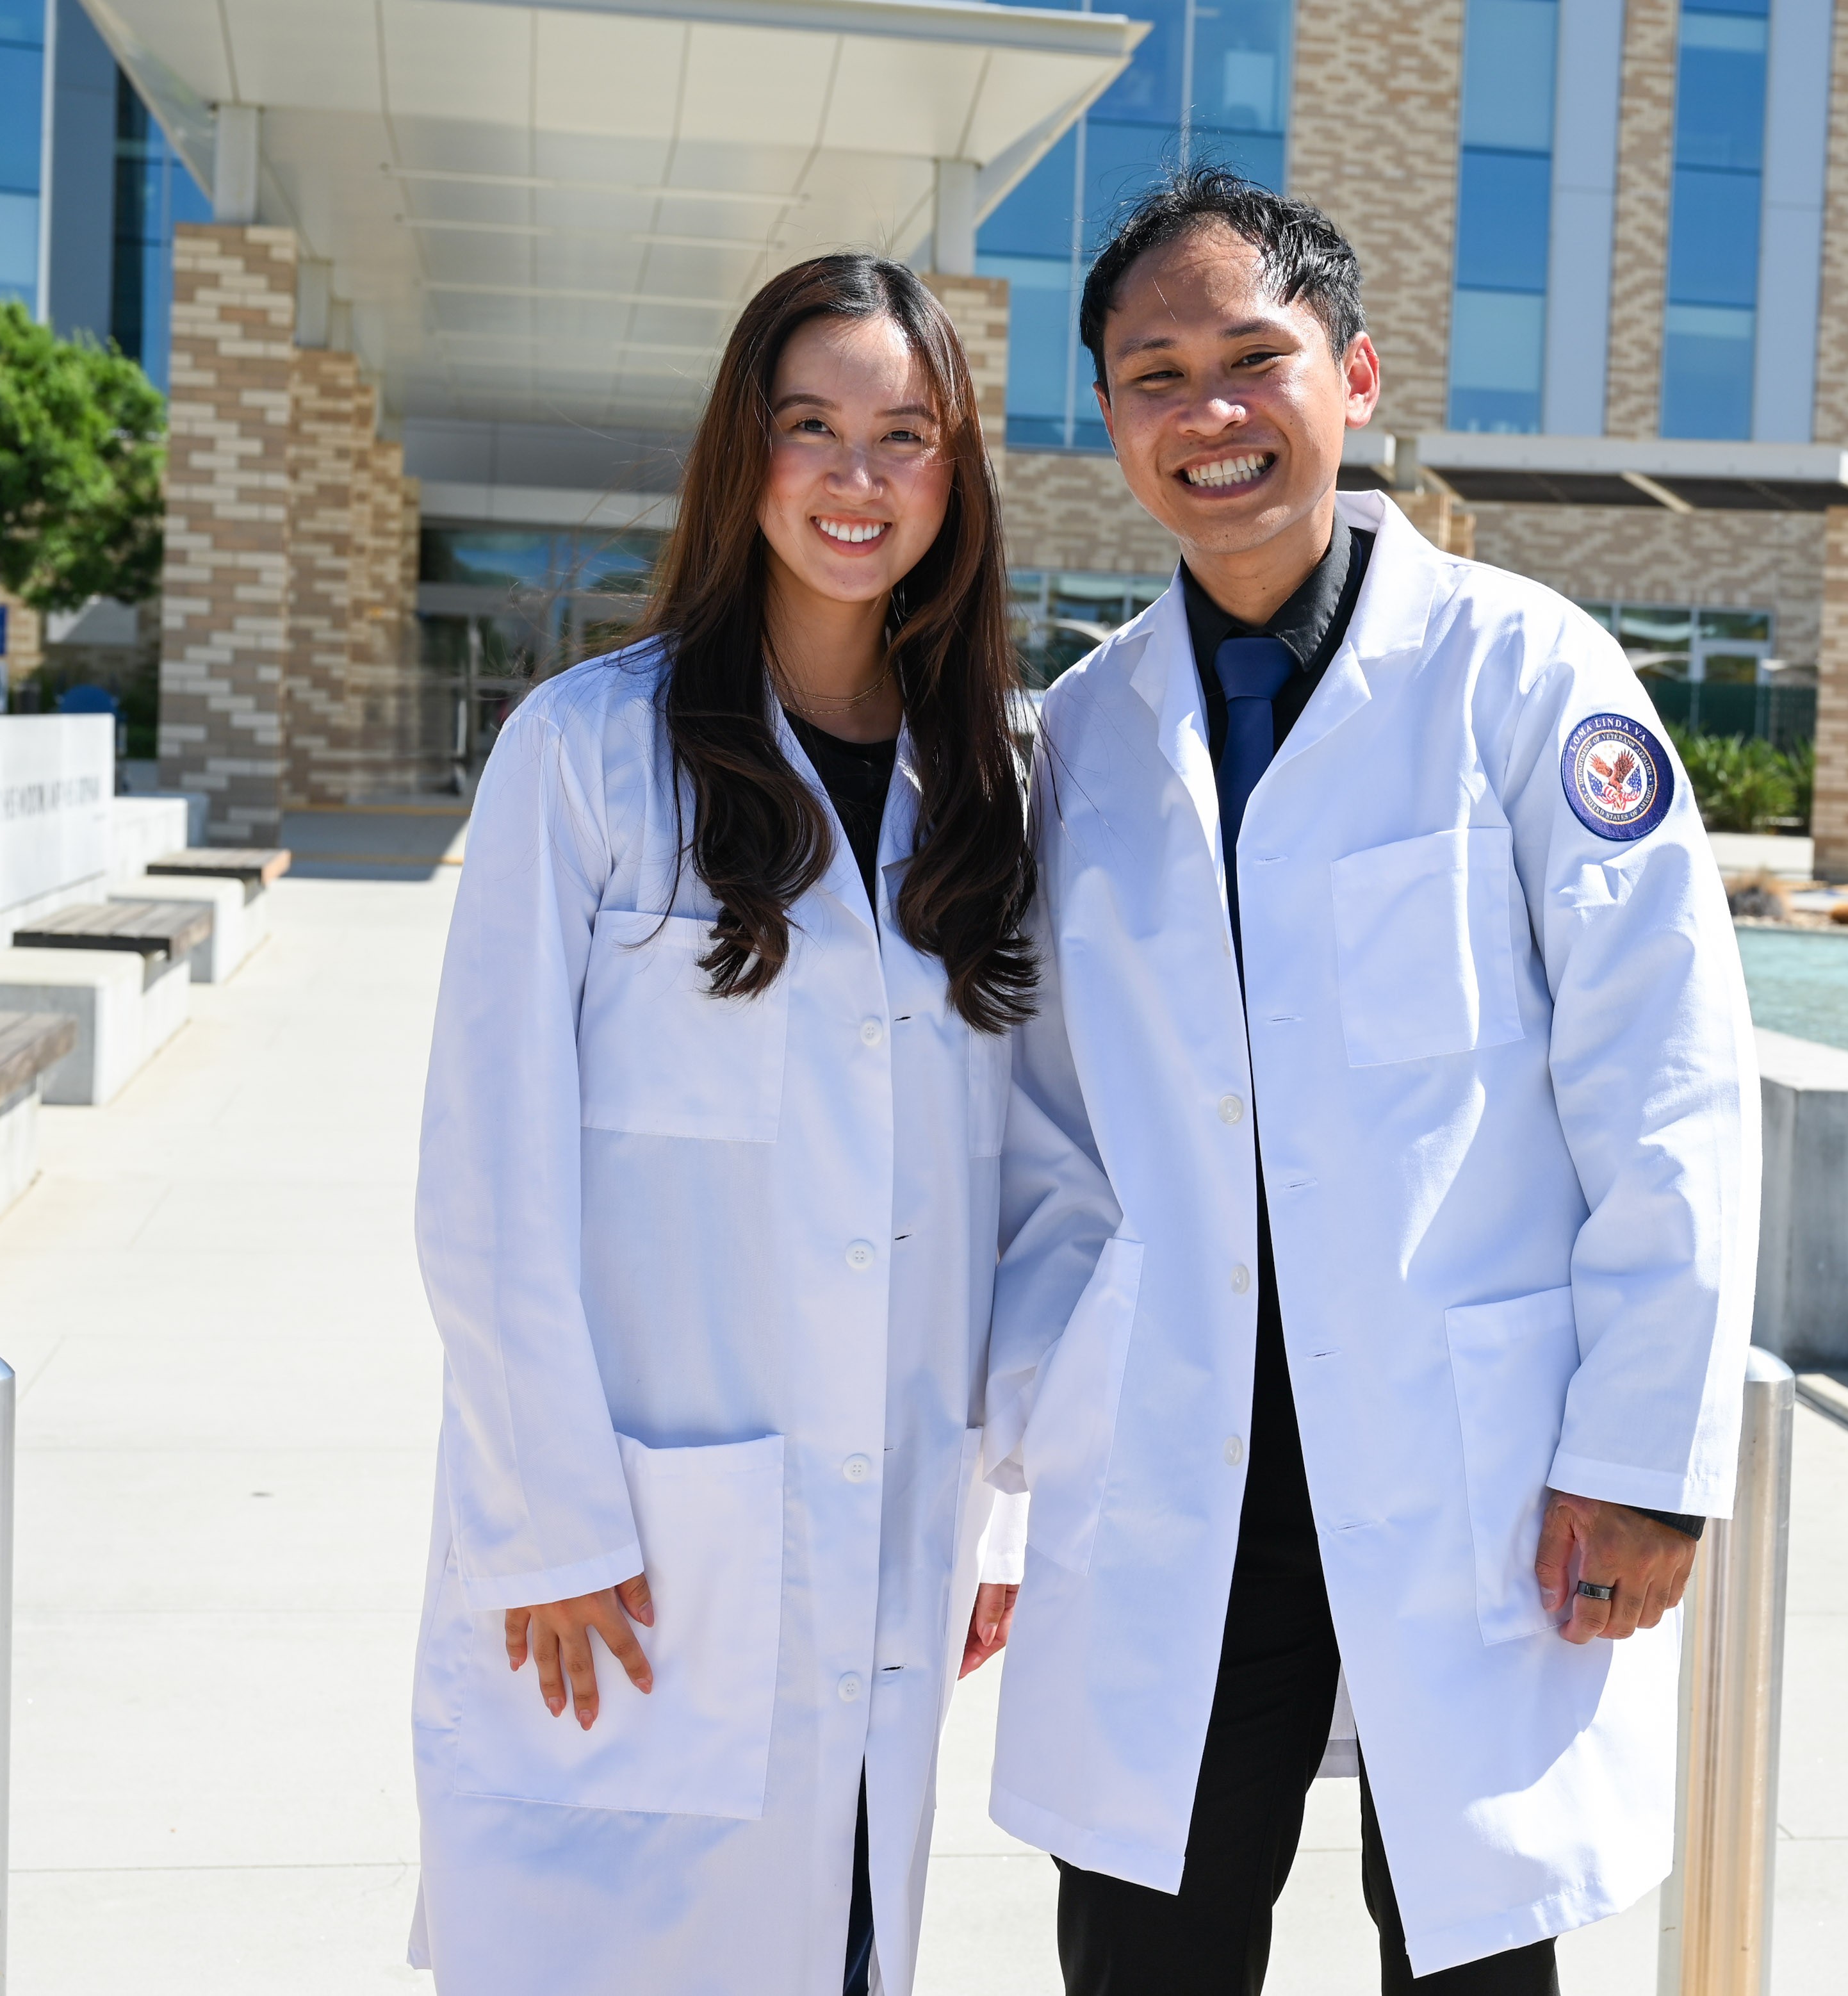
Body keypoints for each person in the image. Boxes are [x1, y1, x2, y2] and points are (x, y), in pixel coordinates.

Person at [985, 170, 1759, 1993]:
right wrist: (1049, 1398)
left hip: (1472, 1459)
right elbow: (1039, 1124)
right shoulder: (1085, 738)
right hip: (1178, 1460)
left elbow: (1663, 1074)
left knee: (1471, 1950)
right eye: (1154, 374)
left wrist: (1644, 1456)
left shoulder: (1518, 674)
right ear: (1108, 420)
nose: (1210, 414)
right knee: (1144, 1941)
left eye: (1255, 359)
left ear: (1355, 376)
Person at [409, 253, 1032, 1996]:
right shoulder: (588, 755)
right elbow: (486, 1169)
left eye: (903, 435)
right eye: (811, 428)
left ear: (955, 476)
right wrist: (550, 1516)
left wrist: (999, 1513)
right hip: (623, 1551)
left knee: (832, 1940)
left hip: (891, 1523)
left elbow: (1024, 1193)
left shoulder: (991, 791)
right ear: (739, 459)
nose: (856, 477)